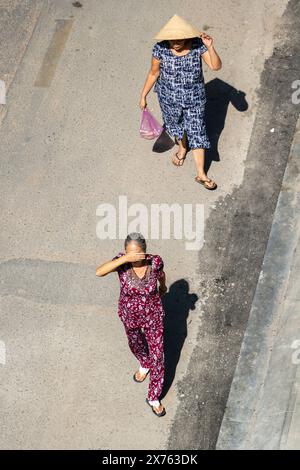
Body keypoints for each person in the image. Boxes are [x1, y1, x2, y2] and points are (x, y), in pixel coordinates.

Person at [139, 14, 222, 190]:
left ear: (187, 36)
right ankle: (183, 148)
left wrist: (210, 47)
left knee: (197, 130)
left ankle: (201, 174)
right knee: (177, 126)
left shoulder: (198, 46)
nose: (175, 42)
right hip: (169, 99)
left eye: (179, 39)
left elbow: (215, 66)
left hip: (194, 100)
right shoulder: (160, 49)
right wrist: (143, 95)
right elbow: (154, 73)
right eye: (171, 39)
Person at [96, 233, 168, 417]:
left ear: (144, 252)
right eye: (129, 253)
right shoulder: (122, 263)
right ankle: (144, 363)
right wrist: (125, 259)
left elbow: (161, 275)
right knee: (135, 343)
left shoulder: (155, 262)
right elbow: (99, 272)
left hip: (153, 315)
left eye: (136, 254)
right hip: (130, 314)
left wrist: (163, 287)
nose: (133, 257)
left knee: (158, 355)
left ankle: (154, 396)